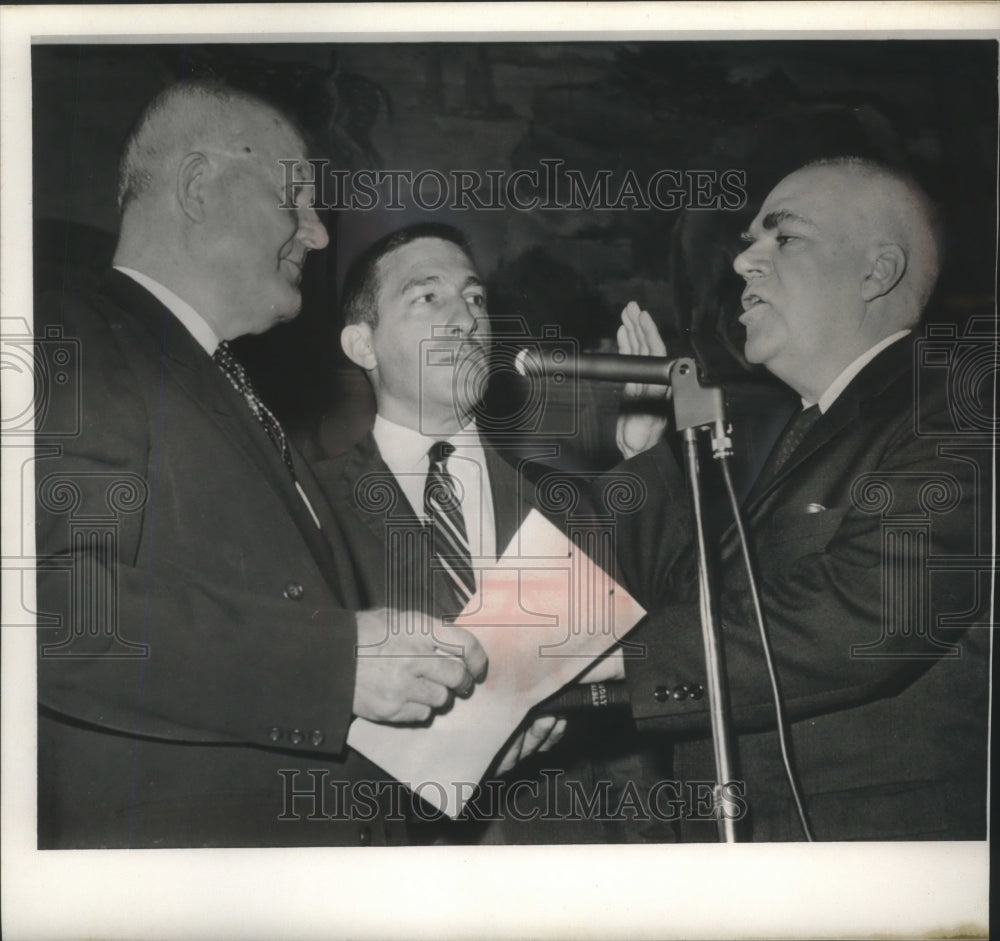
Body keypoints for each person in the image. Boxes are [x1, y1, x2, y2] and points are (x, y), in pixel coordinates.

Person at [34, 82, 488, 849]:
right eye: (297, 200)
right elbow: (52, 609)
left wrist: (449, 727)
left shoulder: (236, 389)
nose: (316, 236)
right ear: (200, 185)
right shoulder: (75, 330)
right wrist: (336, 663)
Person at [600, 157, 989, 841]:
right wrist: (649, 458)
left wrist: (599, 665)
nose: (744, 262)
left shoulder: (962, 406)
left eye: (783, 238)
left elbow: (869, 611)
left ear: (877, 272)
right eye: (750, 240)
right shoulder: (813, 429)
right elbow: (696, 600)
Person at [318, 223, 647, 842]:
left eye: (475, 298)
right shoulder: (306, 501)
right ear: (362, 344)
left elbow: (659, 656)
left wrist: (645, 468)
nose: (467, 319)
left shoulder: (569, 502)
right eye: (428, 297)